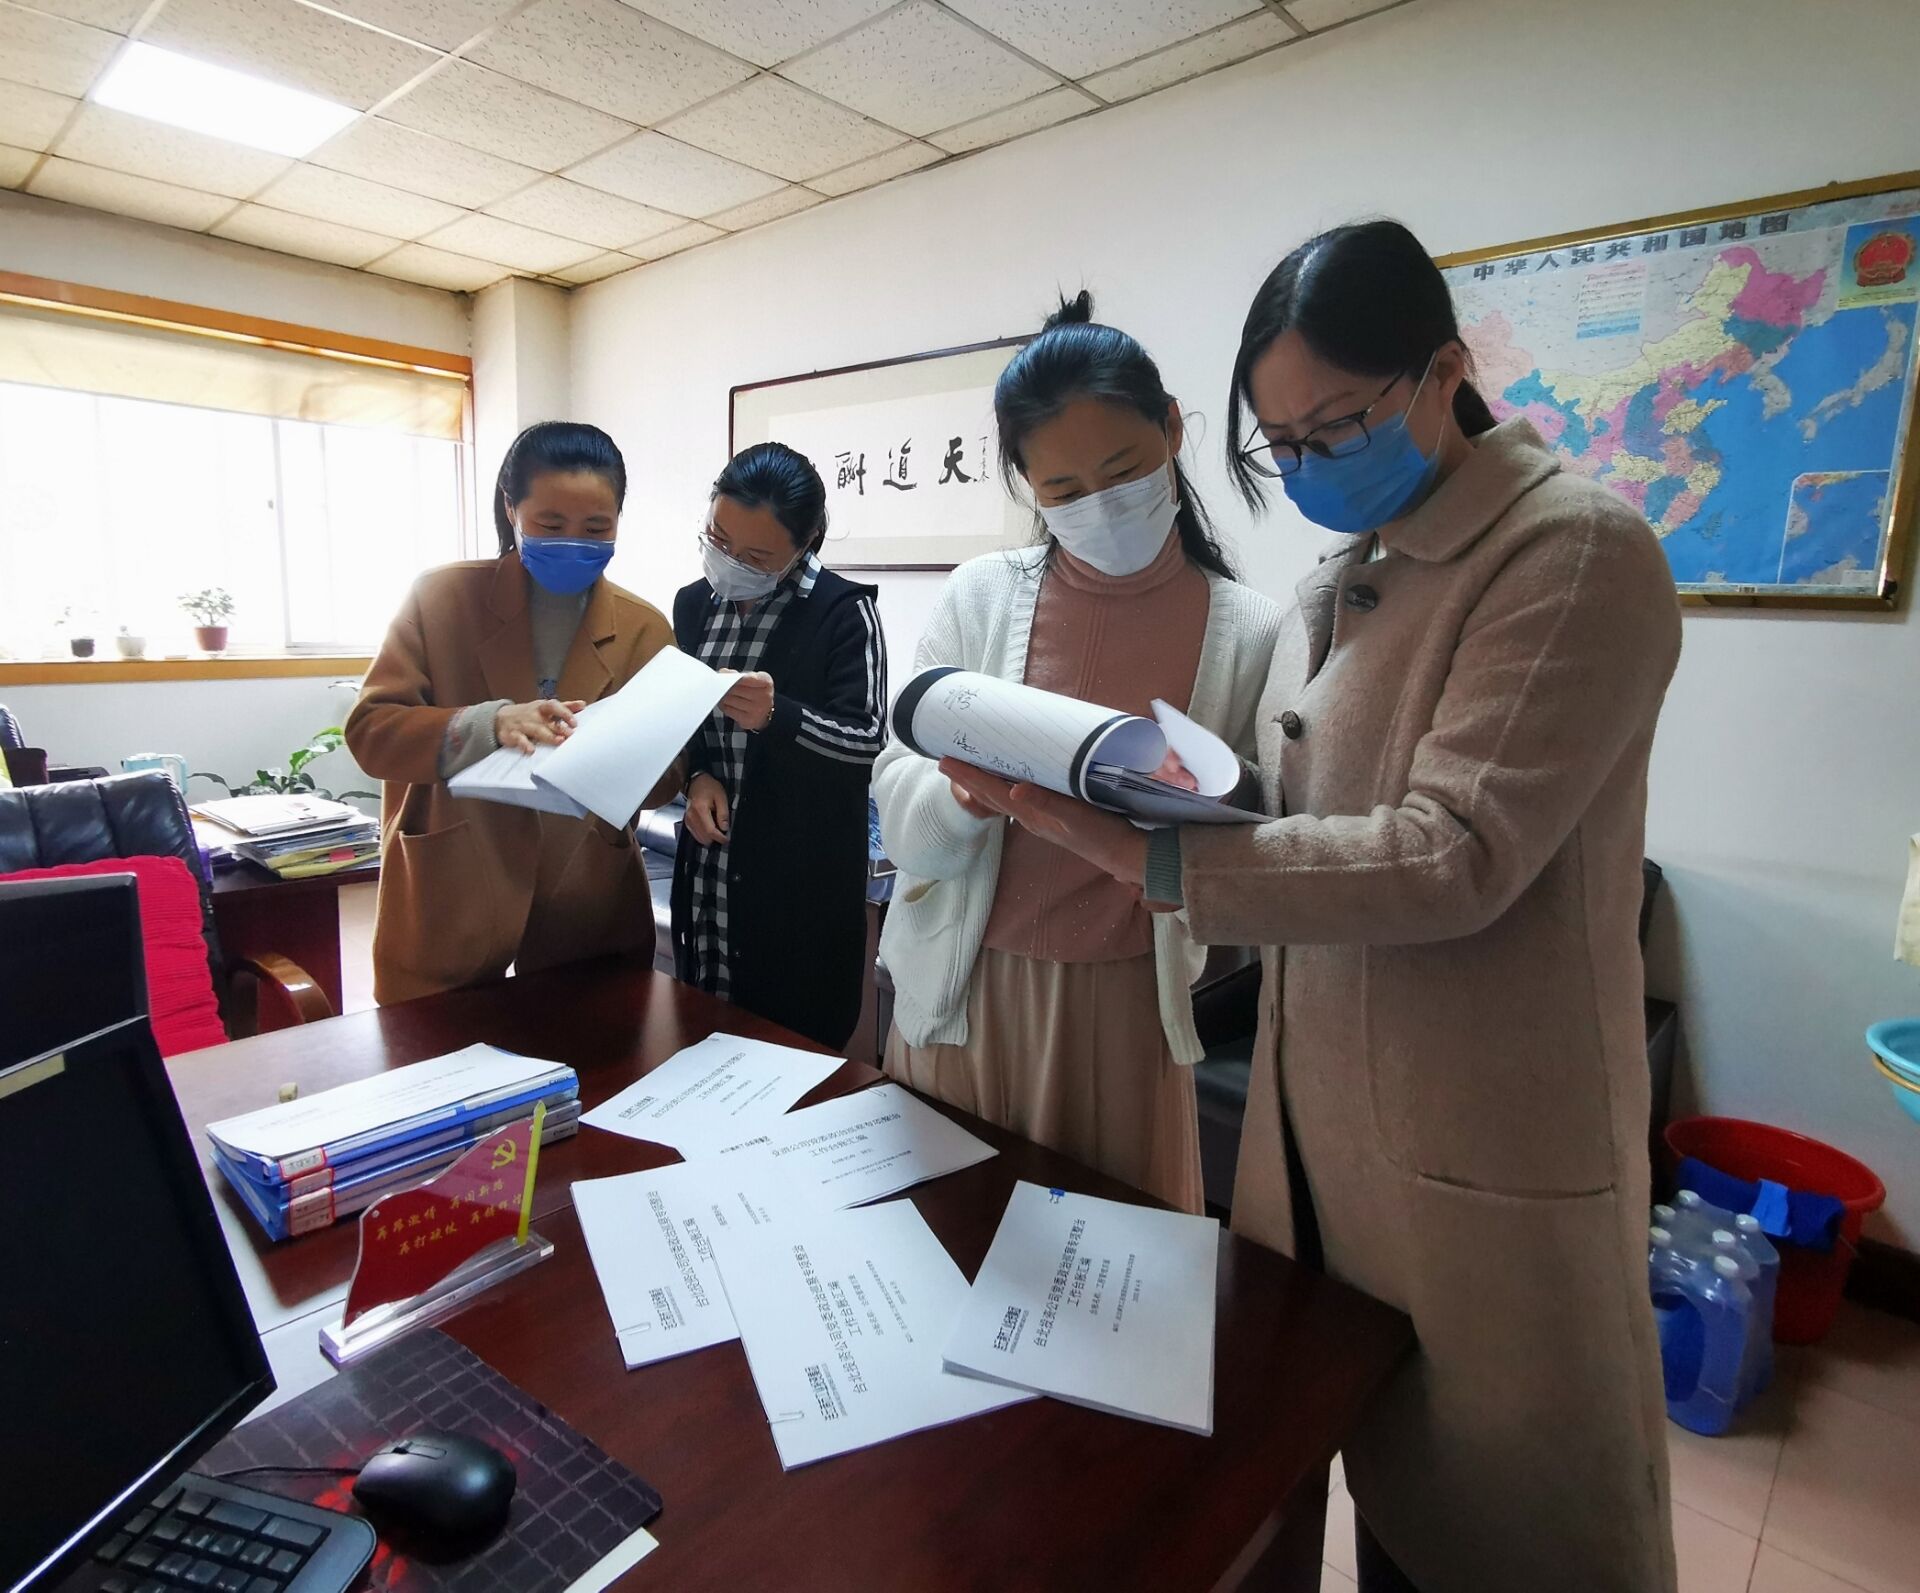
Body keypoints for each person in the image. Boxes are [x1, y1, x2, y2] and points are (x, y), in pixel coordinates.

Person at [941, 222, 1682, 1593]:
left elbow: (1451, 855)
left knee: (1504, 1533)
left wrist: (1135, 852)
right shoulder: (1342, 579)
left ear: (1445, 371)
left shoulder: (1572, 552)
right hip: (1318, 1133)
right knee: (1338, 1496)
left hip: (1477, 1141)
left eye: (1337, 424)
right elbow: (1288, 818)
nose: (1310, 464)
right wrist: (1150, 786)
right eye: (1282, 443)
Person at [875, 293, 1282, 1214]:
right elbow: (900, 799)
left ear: (1172, 429)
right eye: (1062, 492)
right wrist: (963, 798)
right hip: (962, 992)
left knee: (1109, 1267)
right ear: (1028, 487)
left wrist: (1197, 825)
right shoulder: (982, 594)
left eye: (1123, 472)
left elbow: (1254, 844)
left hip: (1127, 1011)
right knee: (943, 1244)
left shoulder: (1252, 631)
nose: (1100, 508)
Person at [347, 421, 681, 1005]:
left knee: (590, 1047)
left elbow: (666, 778)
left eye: (596, 528)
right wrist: (487, 724)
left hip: (584, 901)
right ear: (511, 509)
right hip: (454, 884)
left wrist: (619, 760)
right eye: (551, 525)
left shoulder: (644, 628)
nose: (573, 542)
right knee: (435, 1048)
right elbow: (372, 732)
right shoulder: (440, 599)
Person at [671, 442, 887, 1050]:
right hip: (710, 878)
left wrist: (779, 716)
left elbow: (868, 741)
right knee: (701, 1044)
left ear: (805, 543)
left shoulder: (844, 613)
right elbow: (685, 726)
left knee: (793, 1059)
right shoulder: (694, 606)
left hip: (798, 893)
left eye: (757, 556)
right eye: (719, 540)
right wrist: (696, 779)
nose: (730, 562)